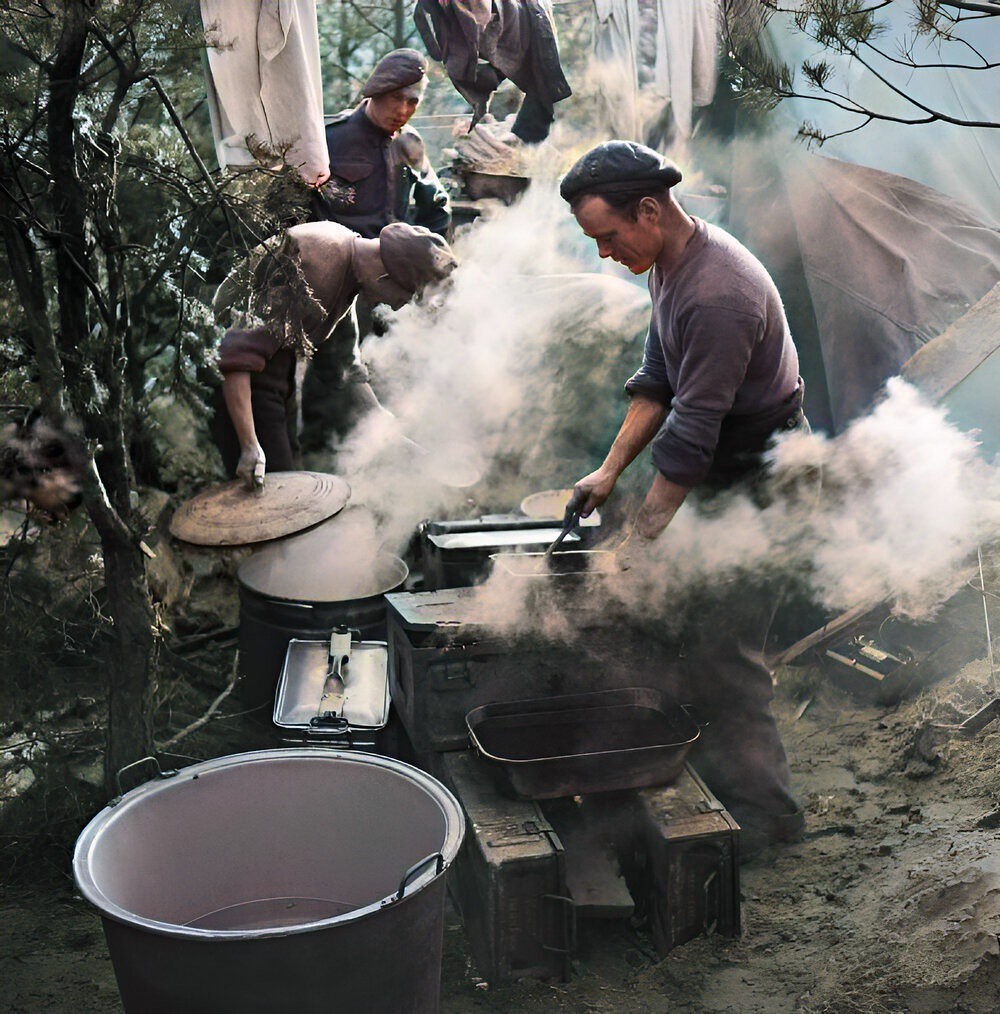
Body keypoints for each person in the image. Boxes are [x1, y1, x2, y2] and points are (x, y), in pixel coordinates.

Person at [560, 140, 808, 856]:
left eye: (608, 237)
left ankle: (770, 818)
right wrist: (608, 473)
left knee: (725, 650)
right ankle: (707, 764)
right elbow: (657, 376)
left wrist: (639, 542)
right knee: (683, 623)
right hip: (719, 463)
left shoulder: (717, 291)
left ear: (649, 210)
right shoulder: (666, 260)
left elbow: (691, 438)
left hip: (762, 474)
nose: (605, 253)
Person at [210, 220, 456, 489]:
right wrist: (249, 445)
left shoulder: (350, 268)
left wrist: (385, 428)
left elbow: (343, 364)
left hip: (277, 368)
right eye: (405, 297)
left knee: (287, 480)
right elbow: (235, 356)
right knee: (269, 489)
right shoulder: (318, 266)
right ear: (386, 276)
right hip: (236, 376)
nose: (396, 307)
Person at [304, 48, 452, 451]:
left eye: (412, 102)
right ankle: (335, 448)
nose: (403, 110)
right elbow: (304, 214)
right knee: (343, 370)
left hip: (398, 277)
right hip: (346, 280)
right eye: (396, 99)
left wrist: (430, 263)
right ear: (374, 93)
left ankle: (398, 443)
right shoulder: (329, 141)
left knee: (407, 362)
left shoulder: (408, 146)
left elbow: (436, 205)